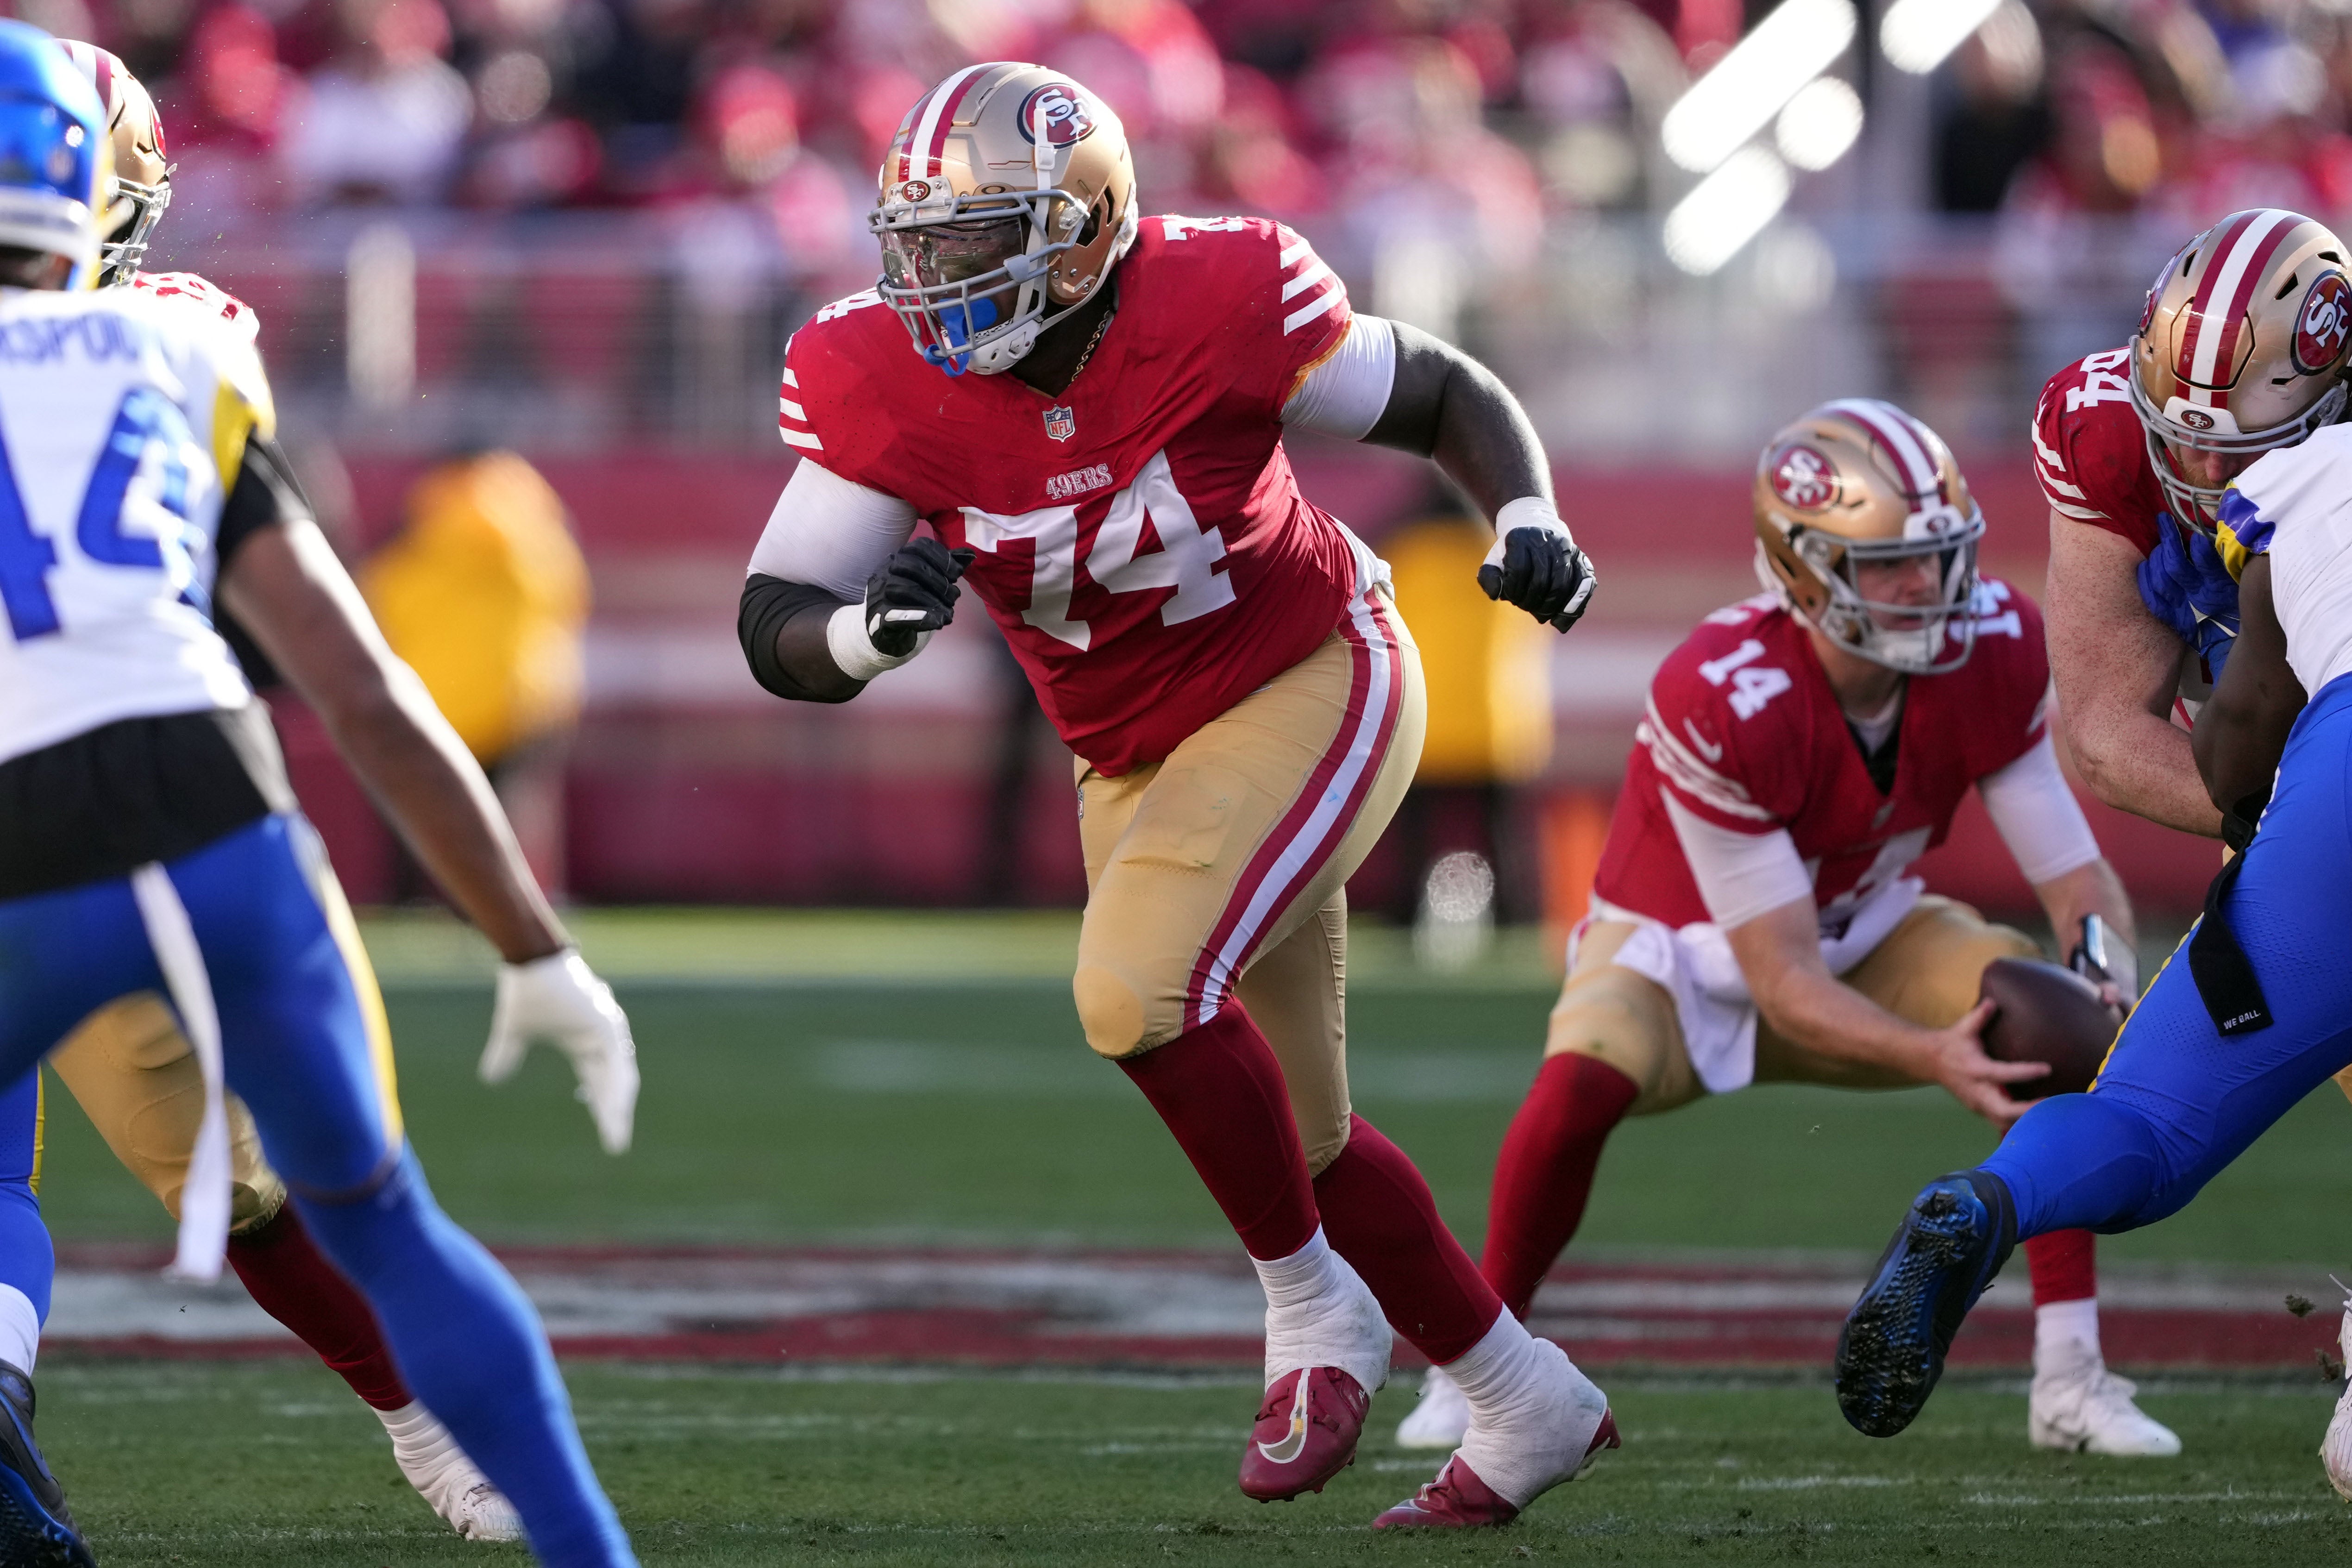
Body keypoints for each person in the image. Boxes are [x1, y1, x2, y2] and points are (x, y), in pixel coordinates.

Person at [740, 63, 1608, 1530]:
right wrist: (861, 639)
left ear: (1084, 231)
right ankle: (1526, 1398)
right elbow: (777, 612)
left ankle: (1311, 1310)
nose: (933, 278)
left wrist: (1525, 508)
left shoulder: (1221, 294)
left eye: (974, 240)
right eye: (920, 243)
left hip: (1311, 675)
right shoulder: (875, 372)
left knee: (1132, 991)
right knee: (1306, 1141)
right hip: (1132, 750)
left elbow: (1438, 392)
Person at [0, 27, 634, 1565]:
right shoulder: (183, 343)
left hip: (43, 813)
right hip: (212, 815)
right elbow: (361, 686)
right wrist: (537, 947)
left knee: (237, 1184)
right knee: (364, 1203)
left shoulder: (170, 338)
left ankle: (392, 1406)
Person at [1394, 400, 2178, 1460]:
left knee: (2044, 1023)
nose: (1928, 587)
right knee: (1576, 1084)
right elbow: (1780, 978)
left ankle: (2070, 1375)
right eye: (1891, 566)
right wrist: (1929, 1055)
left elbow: (2076, 877)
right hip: (1679, 949)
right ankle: (1474, 1370)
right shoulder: (1725, 693)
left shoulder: (1990, 643)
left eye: (1937, 556)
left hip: (1868, 924)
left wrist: (2099, 975)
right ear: (1802, 572)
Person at [1835, 418, 2352, 1466]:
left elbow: (2233, 763)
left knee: (2144, 1124)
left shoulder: (2306, 482)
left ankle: (1994, 1197)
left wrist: (2228, 649)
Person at [2029, 203, 2352, 1489]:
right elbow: (2108, 731)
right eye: (2185, 439)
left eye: (2243, 448)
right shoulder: (2105, 425)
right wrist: (2292, 829)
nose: (2205, 474)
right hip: (2281, 764)